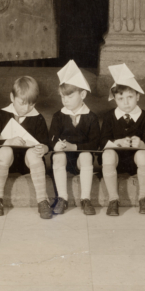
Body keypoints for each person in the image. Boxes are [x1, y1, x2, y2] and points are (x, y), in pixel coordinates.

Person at [0, 76, 51, 219]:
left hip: (28, 163)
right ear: (12, 97)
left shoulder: (38, 118)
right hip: (6, 161)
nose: (26, 108)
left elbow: (46, 143)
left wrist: (44, 148)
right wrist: (7, 141)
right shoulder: (1, 115)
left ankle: (42, 200)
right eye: (22, 103)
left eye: (31, 104)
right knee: (5, 150)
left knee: (33, 153)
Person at [99, 64, 145, 216]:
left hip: (136, 161)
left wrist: (142, 144)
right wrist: (116, 143)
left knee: (143, 154)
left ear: (138, 96)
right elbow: (102, 140)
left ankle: (144, 197)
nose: (126, 102)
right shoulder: (110, 117)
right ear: (114, 99)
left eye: (130, 97)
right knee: (107, 153)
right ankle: (113, 199)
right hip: (116, 160)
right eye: (120, 98)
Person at [49, 60, 101, 215]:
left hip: (81, 159)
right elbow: (51, 137)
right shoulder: (58, 116)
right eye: (62, 96)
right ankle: (62, 198)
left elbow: (95, 143)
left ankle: (85, 199)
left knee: (86, 156)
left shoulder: (91, 117)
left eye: (70, 96)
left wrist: (76, 148)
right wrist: (55, 145)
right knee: (58, 156)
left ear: (83, 94)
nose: (65, 100)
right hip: (64, 159)